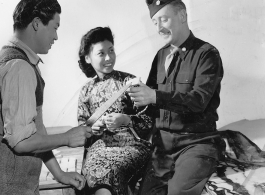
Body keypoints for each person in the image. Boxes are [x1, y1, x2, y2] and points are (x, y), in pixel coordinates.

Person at [128, 0, 225, 195]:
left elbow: (198, 101)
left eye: (163, 19)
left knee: (178, 192)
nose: (158, 28)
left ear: (182, 16)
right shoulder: (161, 56)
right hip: (163, 147)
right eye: (154, 22)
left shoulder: (207, 55)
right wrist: (131, 113)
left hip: (196, 144)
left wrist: (154, 95)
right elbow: (152, 105)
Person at [0, 0, 92, 194]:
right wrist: (67, 137)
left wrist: (59, 174)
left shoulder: (12, 59)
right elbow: (22, 142)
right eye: (54, 27)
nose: (56, 36)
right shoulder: (20, 68)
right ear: (36, 23)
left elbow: (36, 132)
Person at [77, 26, 153, 195]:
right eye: (101, 53)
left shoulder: (129, 83)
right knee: (95, 175)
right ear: (88, 58)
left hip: (131, 146)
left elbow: (149, 122)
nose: (109, 57)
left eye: (111, 50)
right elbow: (82, 129)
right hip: (99, 148)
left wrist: (126, 119)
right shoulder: (86, 91)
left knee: (112, 170)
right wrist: (93, 129)